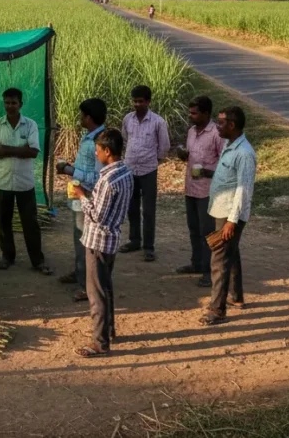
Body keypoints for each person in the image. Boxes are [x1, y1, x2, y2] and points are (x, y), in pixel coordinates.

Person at [73, 128, 133, 357]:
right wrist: (90, 193)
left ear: (107, 151)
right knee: (106, 287)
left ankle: (100, 342)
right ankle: (109, 330)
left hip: (97, 241)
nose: (96, 154)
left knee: (96, 292)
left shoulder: (107, 179)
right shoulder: (125, 172)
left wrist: (81, 195)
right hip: (112, 240)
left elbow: (97, 215)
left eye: (98, 151)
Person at [200, 106, 257, 326]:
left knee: (219, 260)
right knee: (230, 254)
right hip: (221, 208)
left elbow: (243, 190)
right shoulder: (230, 145)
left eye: (221, 122)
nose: (217, 125)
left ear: (232, 125)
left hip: (230, 213)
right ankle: (236, 296)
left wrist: (232, 221)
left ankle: (217, 309)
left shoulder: (244, 154)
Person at [0, 88, 51, 275]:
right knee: (4, 222)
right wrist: (18, 150)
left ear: (20, 104)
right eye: (7, 102)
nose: (10, 106)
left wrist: (4, 149)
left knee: (30, 223)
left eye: (14, 103)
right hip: (3, 182)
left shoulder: (30, 125)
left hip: (24, 183)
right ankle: (7, 257)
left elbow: (33, 152)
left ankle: (37, 260)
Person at [58, 98, 107, 302]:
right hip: (80, 193)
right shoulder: (90, 137)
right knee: (79, 238)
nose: (80, 119)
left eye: (82, 115)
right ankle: (80, 273)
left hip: (87, 195)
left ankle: (87, 285)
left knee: (86, 240)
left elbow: (97, 177)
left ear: (89, 117)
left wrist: (68, 169)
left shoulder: (100, 142)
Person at [175, 96, 225, 287]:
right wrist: (182, 155)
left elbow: (224, 164)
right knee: (194, 229)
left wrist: (206, 172)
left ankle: (209, 271)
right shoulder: (191, 132)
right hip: (191, 188)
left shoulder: (217, 134)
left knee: (208, 232)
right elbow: (190, 155)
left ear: (206, 113)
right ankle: (196, 263)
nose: (191, 116)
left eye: (195, 113)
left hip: (207, 190)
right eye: (190, 113)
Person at [120, 85, 170, 261]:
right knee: (132, 208)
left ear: (148, 101)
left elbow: (164, 147)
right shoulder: (128, 119)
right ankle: (134, 240)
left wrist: (154, 160)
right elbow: (125, 138)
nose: (137, 104)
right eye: (135, 101)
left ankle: (149, 247)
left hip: (149, 170)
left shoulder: (158, 122)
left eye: (141, 101)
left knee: (148, 210)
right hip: (130, 169)